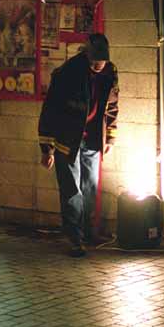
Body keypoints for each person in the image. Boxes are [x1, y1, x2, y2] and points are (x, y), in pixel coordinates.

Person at [38, 33, 119, 257]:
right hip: (67, 141)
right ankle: (75, 239)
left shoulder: (110, 73)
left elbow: (112, 105)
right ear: (85, 55)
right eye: (94, 62)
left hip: (92, 140)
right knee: (72, 191)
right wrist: (47, 148)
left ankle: (88, 233)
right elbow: (50, 111)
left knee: (90, 189)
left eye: (101, 63)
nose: (98, 66)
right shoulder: (67, 73)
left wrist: (110, 137)